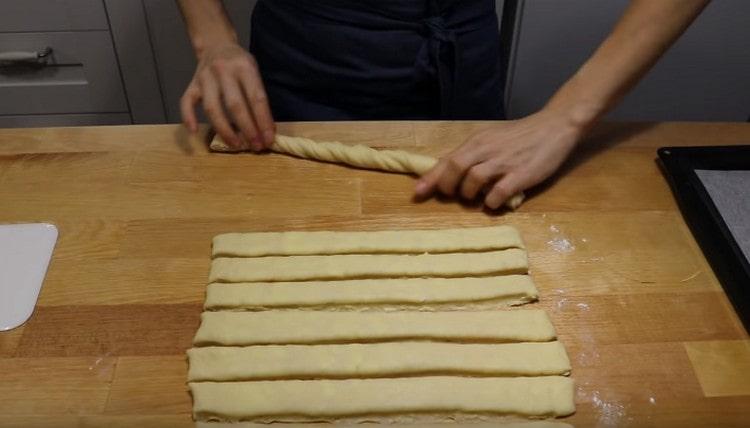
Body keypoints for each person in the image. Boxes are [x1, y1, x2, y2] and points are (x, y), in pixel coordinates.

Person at [178, 0, 708, 209]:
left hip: (459, 42)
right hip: (307, 47)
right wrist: (210, 34)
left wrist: (570, 114)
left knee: (476, 206)